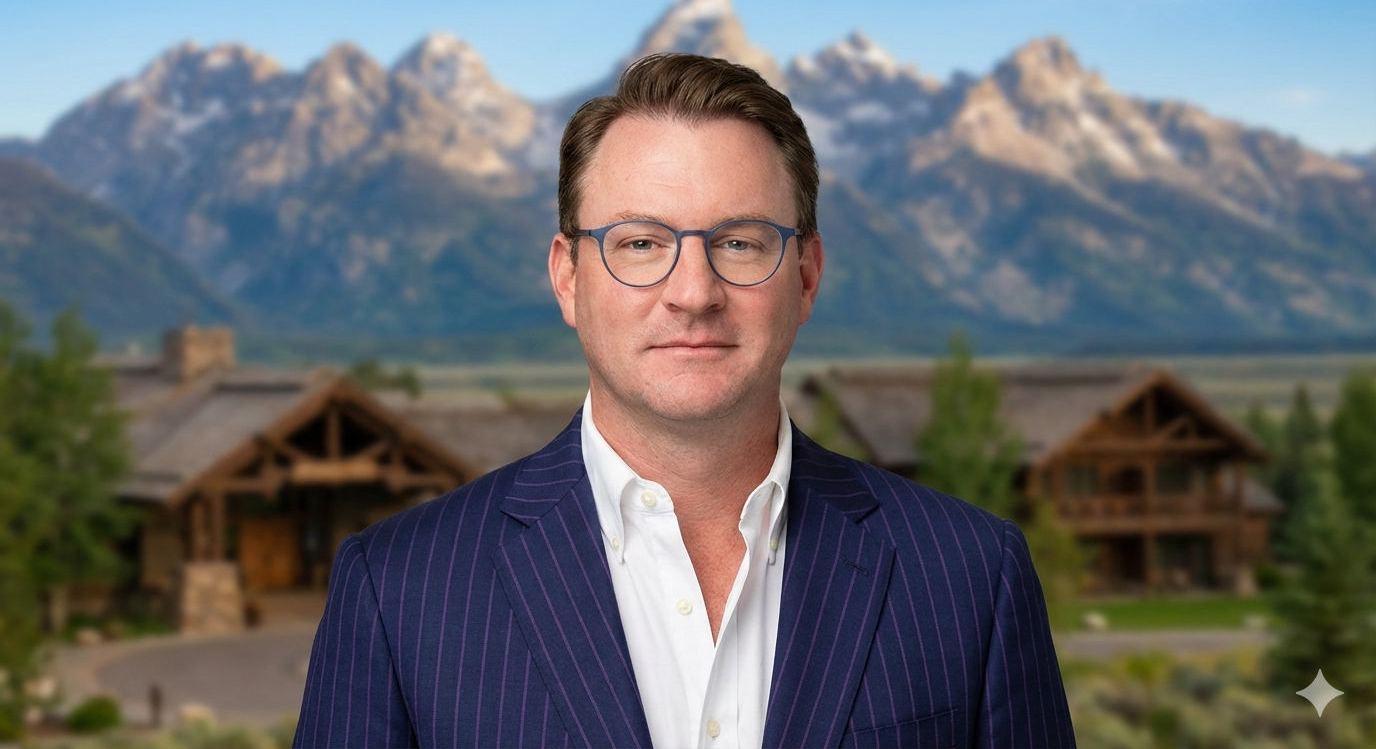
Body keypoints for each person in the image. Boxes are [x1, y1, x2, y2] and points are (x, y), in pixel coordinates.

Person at [294, 53, 1074, 749]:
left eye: (739, 242)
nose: (693, 293)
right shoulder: (398, 588)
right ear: (568, 277)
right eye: (640, 243)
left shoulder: (972, 575)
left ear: (804, 277)